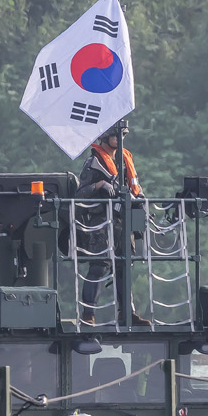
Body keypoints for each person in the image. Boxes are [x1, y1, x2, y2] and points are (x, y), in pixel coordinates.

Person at [76, 126, 143, 324]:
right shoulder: (94, 162)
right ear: (105, 137)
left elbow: (134, 186)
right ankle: (88, 315)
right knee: (99, 266)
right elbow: (80, 194)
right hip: (102, 221)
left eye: (122, 135)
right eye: (116, 135)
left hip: (124, 220)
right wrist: (99, 185)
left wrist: (140, 198)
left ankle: (127, 313)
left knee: (124, 266)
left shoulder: (124, 160)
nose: (120, 138)